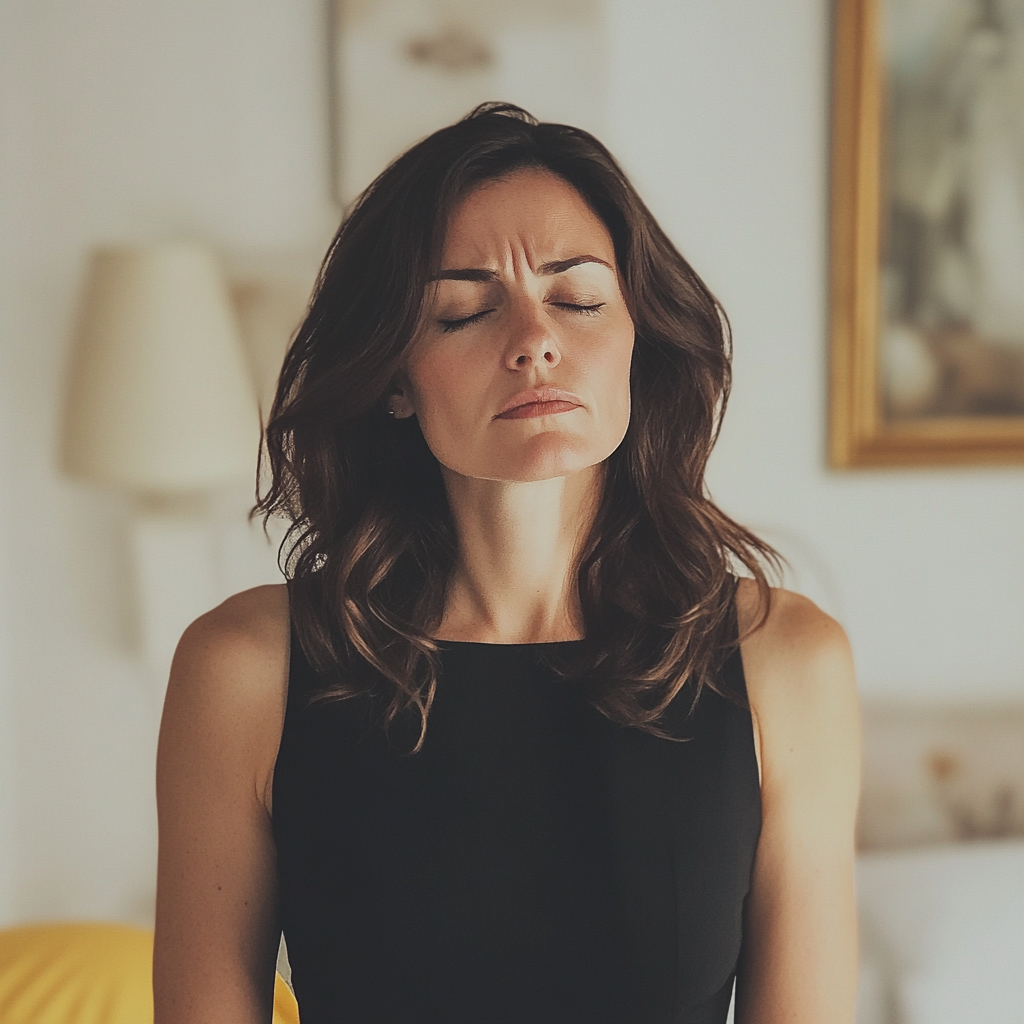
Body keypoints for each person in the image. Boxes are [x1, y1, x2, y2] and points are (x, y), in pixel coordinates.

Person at [153, 103, 860, 1024]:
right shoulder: (244, 669)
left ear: (638, 340)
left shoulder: (785, 663)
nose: (534, 339)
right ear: (395, 379)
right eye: (464, 311)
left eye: (577, 298)